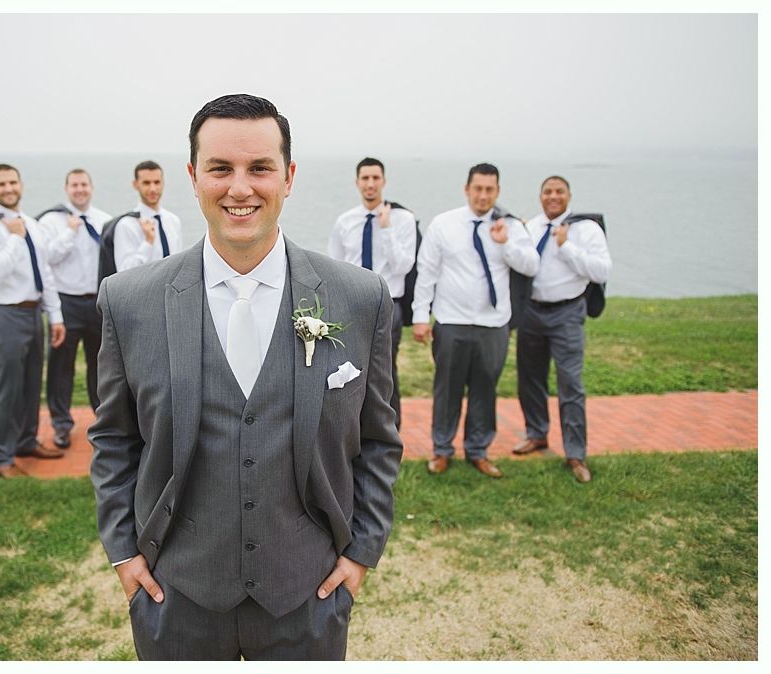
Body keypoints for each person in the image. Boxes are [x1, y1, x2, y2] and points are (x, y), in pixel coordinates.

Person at [89, 94, 403, 660]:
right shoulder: (128, 300)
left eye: (260, 168)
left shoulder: (359, 298)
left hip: (307, 596)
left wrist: (360, 553)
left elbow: (378, 439)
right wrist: (124, 553)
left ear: (289, 177)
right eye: (220, 169)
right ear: (192, 176)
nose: (240, 188)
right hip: (175, 595)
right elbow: (114, 437)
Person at [411, 163, 539, 478]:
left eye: (490, 190)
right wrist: (420, 317)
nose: (483, 195)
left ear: (497, 192)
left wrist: (505, 244)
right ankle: (442, 450)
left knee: (485, 390)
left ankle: (478, 450)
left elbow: (532, 265)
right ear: (467, 189)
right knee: (447, 389)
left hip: (493, 325)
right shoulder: (444, 224)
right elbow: (427, 271)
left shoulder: (510, 226)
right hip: (452, 322)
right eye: (478, 189)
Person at [0, 164, 66, 478]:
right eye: (1, 184)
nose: (8, 188)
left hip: (33, 311)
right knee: (7, 387)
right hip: (3, 313)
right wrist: (13, 239)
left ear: (20, 184)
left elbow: (45, 271)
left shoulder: (32, 224)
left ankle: (26, 440)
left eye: (12, 182)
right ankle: (1, 458)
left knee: (30, 382)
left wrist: (56, 315)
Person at [512, 176, 612, 483]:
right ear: (540, 196)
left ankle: (575, 453)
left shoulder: (586, 229)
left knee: (570, 384)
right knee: (530, 378)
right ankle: (536, 433)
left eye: (559, 192)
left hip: (567, 313)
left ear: (569, 195)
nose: (553, 197)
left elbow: (602, 270)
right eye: (547, 192)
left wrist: (566, 246)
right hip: (531, 312)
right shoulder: (530, 228)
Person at [327, 157, 416, 428]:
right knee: (351, 368)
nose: (370, 184)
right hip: (353, 306)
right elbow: (335, 267)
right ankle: (356, 427)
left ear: (384, 182)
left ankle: (391, 429)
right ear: (357, 183)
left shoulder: (403, 219)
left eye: (376, 178)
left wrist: (386, 228)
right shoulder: (345, 222)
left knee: (385, 370)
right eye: (365, 178)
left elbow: (404, 265)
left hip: (389, 305)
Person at [37, 169, 112, 449]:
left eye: (84, 184)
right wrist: (70, 231)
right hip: (65, 301)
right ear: (66, 188)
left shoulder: (104, 221)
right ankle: (61, 423)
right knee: (60, 366)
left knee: (101, 365)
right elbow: (47, 258)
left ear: (91, 188)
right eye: (74, 185)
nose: (80, 189)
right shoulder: (51, 221)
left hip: (96, 302)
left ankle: (103, 421)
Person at [112, 160, 183, 271]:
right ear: (135, 185)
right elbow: (124, 271)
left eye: (157, 182)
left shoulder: (173, 221)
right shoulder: (126, 225)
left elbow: (178, 263)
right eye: (146, 183)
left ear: (163, 183)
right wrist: (148, 242)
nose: (153, 189)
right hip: (143, 288)